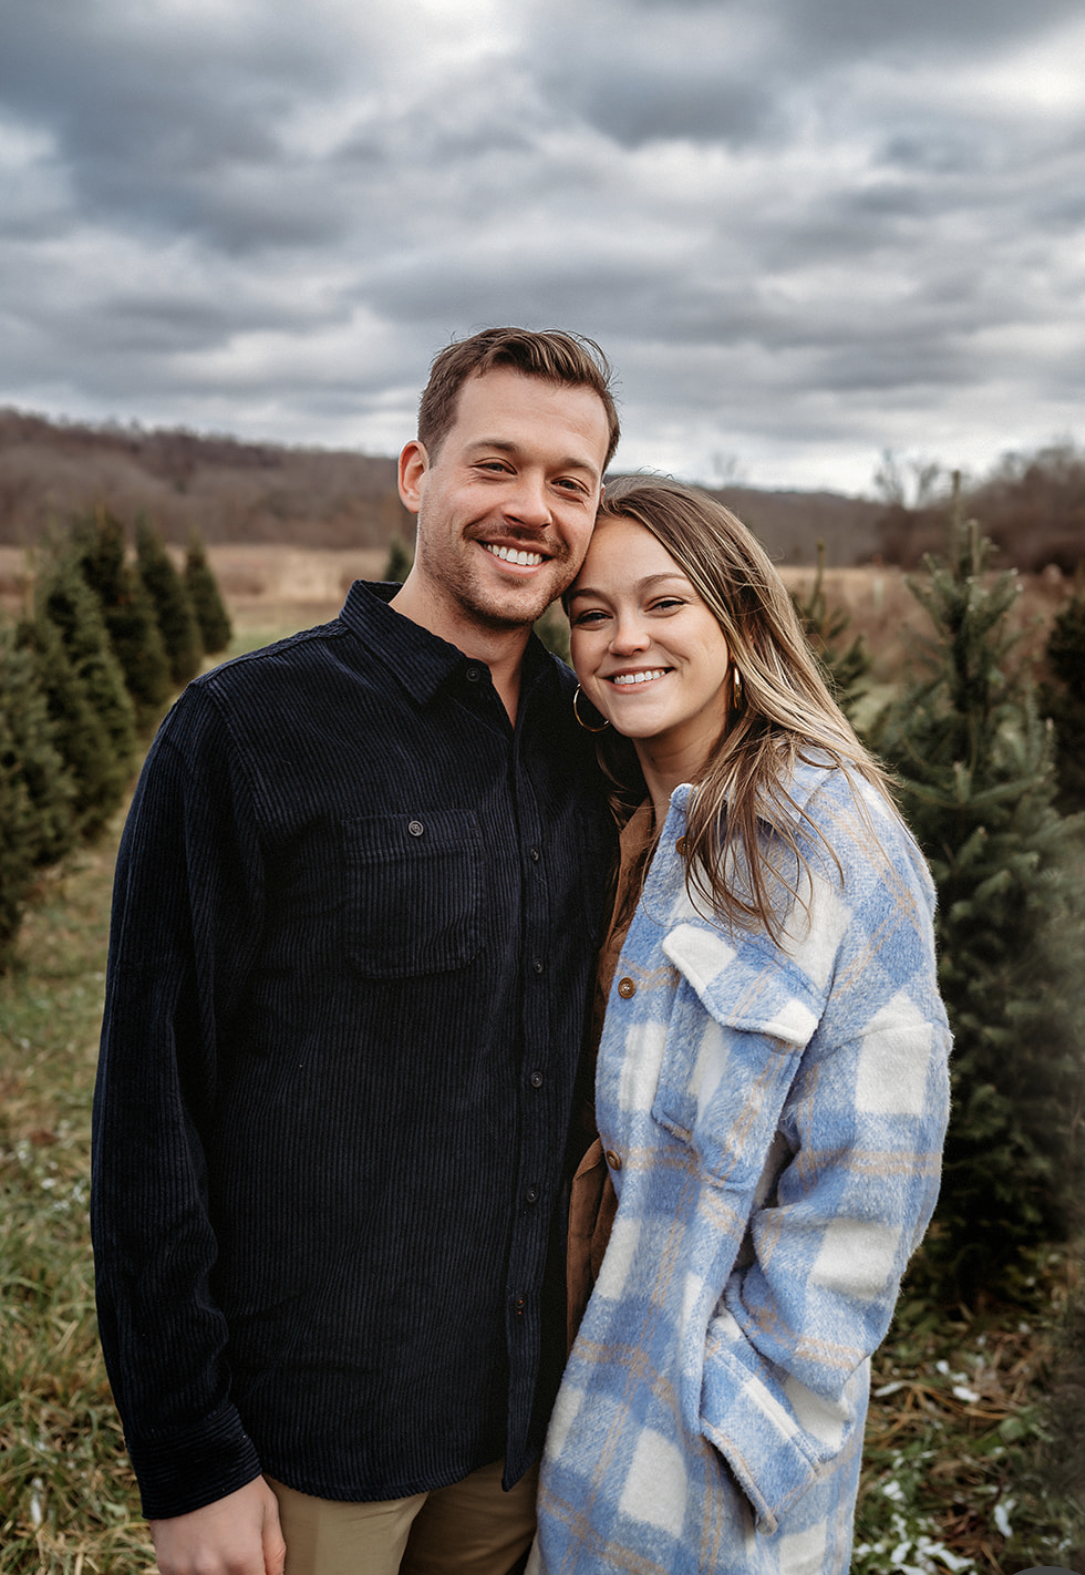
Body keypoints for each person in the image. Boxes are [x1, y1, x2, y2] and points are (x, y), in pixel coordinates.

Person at [91, 328, 622, 1575]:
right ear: (415, 473)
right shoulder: (248, 732)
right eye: (496, 465)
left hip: (522, 1430)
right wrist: (191, 1460)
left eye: (571, 482)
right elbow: (148, 1113)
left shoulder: (594, 740)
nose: (532, 510)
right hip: (314, 1438)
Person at [529, 478, 952, 1575]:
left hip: (706, 1457)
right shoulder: (600, 823)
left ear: (741, 617)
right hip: (566, 1404)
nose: (625, 639)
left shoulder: (832, 840)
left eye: (665, 604)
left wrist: (752, 1425)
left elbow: (876, 1172)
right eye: (591, 612)